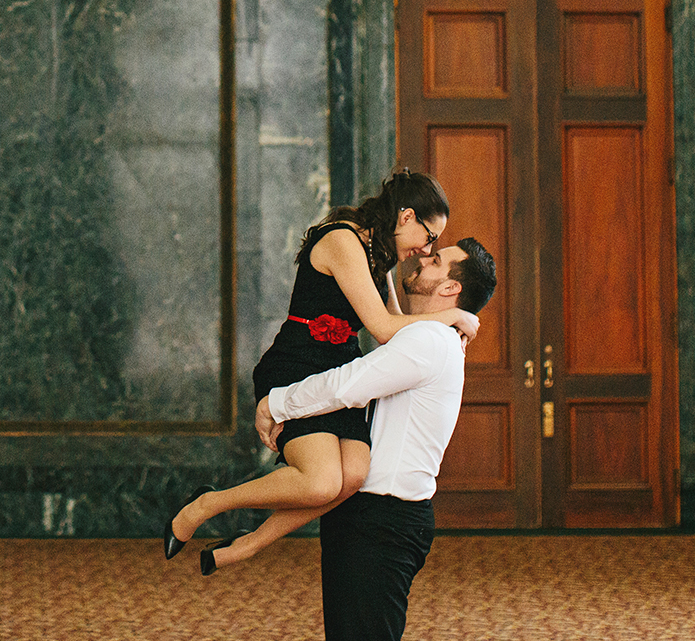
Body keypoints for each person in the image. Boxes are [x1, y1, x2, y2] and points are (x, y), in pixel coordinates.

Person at [162, 170, 478, 573]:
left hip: (337, 371)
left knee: (354, 477)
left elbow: (393, 330)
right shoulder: (343, 240)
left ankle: (248, 543)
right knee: (321, 482)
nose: (425, 249)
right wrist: (453, 316)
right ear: (406, 217)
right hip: (298, 366)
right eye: (429, 237)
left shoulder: (378, 256)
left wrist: (445, 329)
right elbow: (384, 327)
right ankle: (206, 504)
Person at [256, 237, 498, 641]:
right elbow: (389, 324)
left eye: (436, 260)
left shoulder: (430, 340)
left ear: (451, 287)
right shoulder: (430, 335)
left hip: (382, 522)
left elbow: (346, 385)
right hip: (371, 514)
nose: (424, 258)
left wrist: (276, 403)